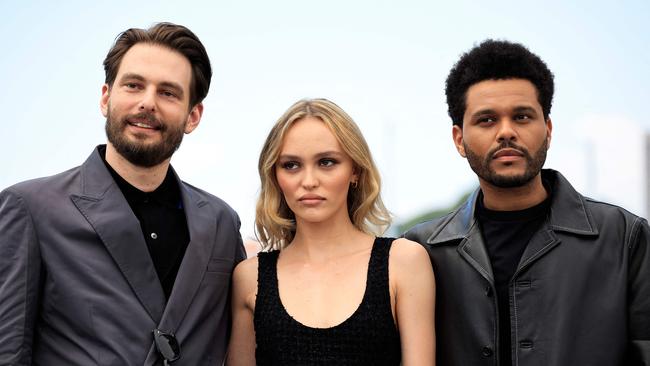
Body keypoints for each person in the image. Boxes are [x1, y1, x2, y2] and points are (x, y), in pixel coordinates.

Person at [0, 22, 246, 365]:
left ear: (193, 116)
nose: (147, 103)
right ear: (106, 97)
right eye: (133, 85)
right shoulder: (29, 208)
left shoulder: (222, 222)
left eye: (168, 93)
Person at [404, 39, 650, 365]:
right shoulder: (421, 251)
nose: (506, 132)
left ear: (547, 130)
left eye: (522, 117)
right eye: (487, 120)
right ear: (459, 140)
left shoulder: (624, 238)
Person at [227, 98, 435, 365]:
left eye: (326, 162)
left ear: (355, 170)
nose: (309, 181)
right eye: (291, 165)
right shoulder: (249, 277)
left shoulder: (404, 262)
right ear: (275, 177)